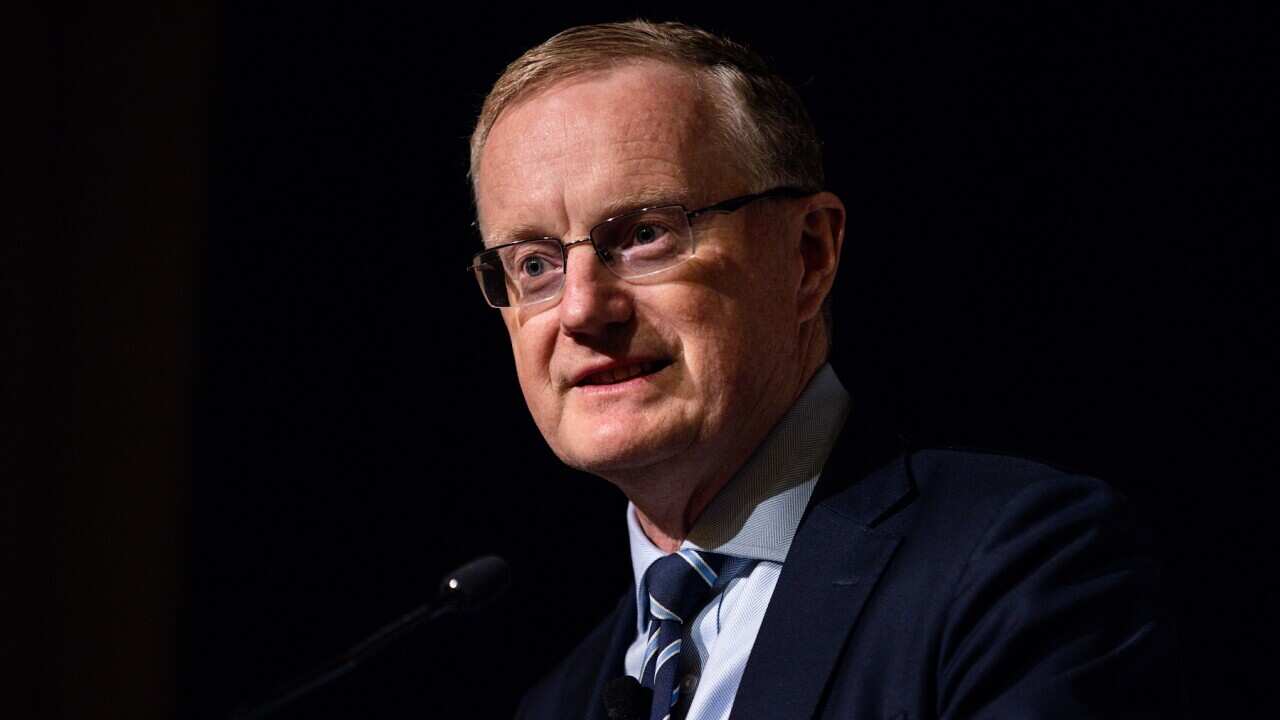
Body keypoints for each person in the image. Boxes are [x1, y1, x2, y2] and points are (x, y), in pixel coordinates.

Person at [466, 20, 1175, 720]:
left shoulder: (1018, 567)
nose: (582, 309)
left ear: (809, 255)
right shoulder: (557, 702)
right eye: (535, 265)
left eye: (646, 234)